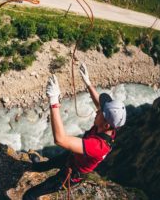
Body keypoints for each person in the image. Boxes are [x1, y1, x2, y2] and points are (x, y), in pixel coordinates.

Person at [23, 63, 126, 199]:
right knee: (49, 163)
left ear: (106, 124)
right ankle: (38, 167)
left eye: (101, 112)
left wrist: (54, 102)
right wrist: (88, 83)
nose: (97, 110)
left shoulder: (97, 146)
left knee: (29, 196)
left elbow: (60, 139)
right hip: (73, 157)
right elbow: (99, 103)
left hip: (70, 174)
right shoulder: (109, 127)